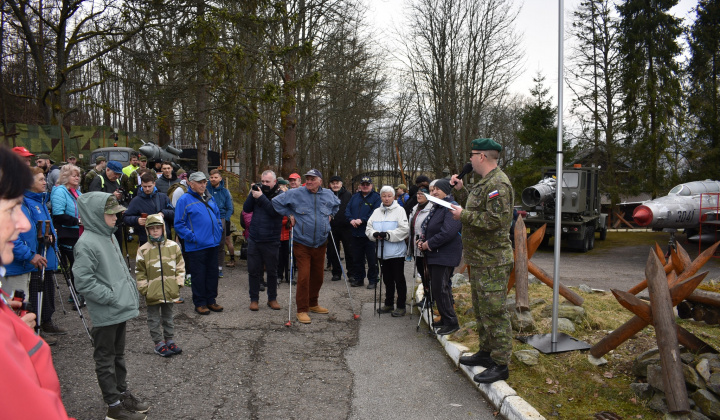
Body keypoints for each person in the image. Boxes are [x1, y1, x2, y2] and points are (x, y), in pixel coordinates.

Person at [0, 146, 76, 420]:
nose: (22, 222)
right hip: (19, 266)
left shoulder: (41, 201)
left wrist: (15, 332)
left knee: (25, 303)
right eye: (11, 208)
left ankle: (42, 324)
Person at [73, 192, 150, 420]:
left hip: (116, 309)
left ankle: (122, 393)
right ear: (97, 215)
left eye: (117, 213)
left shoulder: (108, 235)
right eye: (111, 214)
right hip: (106, 311)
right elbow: (83, 281)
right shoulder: (86, 243)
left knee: (118, 355)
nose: (117, 218)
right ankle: (113, 407)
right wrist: (110, 296)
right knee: (105, 359)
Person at [449, 138, 514, 384]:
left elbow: (496, 220)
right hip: (479, 259)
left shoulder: (498, 183)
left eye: (472, 155)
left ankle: (500, 363)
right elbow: (480, 209)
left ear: (482, 157)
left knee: (495, 312)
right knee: (482, 309)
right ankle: (486, 352)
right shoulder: (485, 183)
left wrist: (462, 215)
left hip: (493, 260)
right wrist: (461, 191)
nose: (470, 160)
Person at [5, 167, 67, 346]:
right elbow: (11, 237)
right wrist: (29, 255)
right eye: (40, 179)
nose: (44, 182)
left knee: (22, 303)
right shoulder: (13, 205)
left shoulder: (31, 202)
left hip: (25, 263)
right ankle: (18, 344)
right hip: (16, 265)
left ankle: (25, 338)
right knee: (16, 305)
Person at [272, 169, 339, 324]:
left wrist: (331, 215)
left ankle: (313, 303)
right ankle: (302, 309)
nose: (309, 181)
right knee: (303, 276)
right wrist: (290, 214)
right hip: (302, 242)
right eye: (307, 179)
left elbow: (336, 206)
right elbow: (275, 202)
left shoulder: (328, 194)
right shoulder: (296, 193)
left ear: (320, 181)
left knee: (318, 276)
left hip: (321, 242)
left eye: (312, 179)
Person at [174, 171, 224, 315]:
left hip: (213, 244)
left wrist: (219, 230)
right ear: (191, 183)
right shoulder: (184, 200)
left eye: (204, 182)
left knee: (212, 274)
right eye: (200, 182)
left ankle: (211, 300)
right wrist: (192, 237)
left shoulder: (209, 197)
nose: (203, 185)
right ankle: (200, 302)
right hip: (196, 246)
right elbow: (179, 224)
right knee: (199, 275)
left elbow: (217, 215)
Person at [135, 214, 185, 357]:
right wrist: (144, 288)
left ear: (163, 228)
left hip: (170, 289)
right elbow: (140, 271)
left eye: (158, 228)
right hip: (152, 292)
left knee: (168, 316)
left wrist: (179, 282)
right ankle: (158, 343)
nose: (155, 231)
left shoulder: (173, 246)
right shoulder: (143, 250)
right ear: (147, 231)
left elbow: (180, 265)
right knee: (154, 318)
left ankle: (169, 339)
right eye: (152, 229)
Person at [417, 179, 462, 335]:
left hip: (445, 254)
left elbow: (448, 232)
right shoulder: (437, 207)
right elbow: (430, 228)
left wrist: (428, 244)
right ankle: (445, 317)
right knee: (440, 288)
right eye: (431, 190)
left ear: (445, 190)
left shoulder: (451, 206)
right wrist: (422, 240)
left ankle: (451, 322)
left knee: (440, 288)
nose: (433, 192)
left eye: (437, 189)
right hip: (436, 254)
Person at [243, 170, 283, 311]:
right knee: (253, 271)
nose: (265, 184)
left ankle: (272, 298)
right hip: (254, 238)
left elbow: (274, 212)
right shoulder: (257, 193)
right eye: (263, 181)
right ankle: (254, 299)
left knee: (272, 271)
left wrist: (260, 197)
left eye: (268, 182)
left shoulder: (280, 195)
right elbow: (246, 209)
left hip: (271, 239)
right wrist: (252, 194)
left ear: (274, 182)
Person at [366, 186, 409, 317]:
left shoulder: (400, 210)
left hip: (396, 252)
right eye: (384, 196)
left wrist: (388, 235)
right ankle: (388, 303)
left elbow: (404, 230)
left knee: (399, 279)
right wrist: (375, 234)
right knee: (387, 279)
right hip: (381, 252)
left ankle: (401, 305)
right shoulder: (376, 212)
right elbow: (368, 228)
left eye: (389, 196)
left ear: (394, 197)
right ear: (380, 197)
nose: (386, 198)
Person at [50, 164, 84, 308]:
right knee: (75, 264)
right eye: (73, 175)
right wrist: (77, 221)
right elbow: (58, 215)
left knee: (80, 263)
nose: (77, 177)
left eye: (78, 175)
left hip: (78, 231)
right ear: (65, 177)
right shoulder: (60, 191)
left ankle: (78, 292)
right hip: (67, 233)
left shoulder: (77, 192)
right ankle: (76, 294)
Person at [345, 176, 381, 289]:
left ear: (371, 185)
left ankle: (373, 280)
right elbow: (347, 209)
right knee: (357, 258)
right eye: (363, 184)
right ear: (360, 185)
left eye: (367, 184)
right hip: (355, 232)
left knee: (372, 259)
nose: (365, 186)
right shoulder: (354, 197)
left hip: (369, 233)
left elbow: (375, 212)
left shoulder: (376, 197)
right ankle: (359, 279)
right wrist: (351, 219)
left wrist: (362, 220)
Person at [123, 172, 174, 246]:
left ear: (154, 184)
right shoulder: (136, 200)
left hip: (165, 237)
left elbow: (174, 213)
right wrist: (137, 220)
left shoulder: (163, 197)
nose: (147, 189)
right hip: (146, 239)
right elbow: (125, 218)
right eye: (144, 186)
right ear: (141, 185)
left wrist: (163, 213)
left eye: (149, 186)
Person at [88, 160, 126, 249]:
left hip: (117, 218)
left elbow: (121, 195)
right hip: (103, 220)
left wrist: (123, 204)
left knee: (118, 245)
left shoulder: (117, 181)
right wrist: (111, 195)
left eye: (119, 175)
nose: (116, 176)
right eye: (115, 174)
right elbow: (93, 198)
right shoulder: (98, 180)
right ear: (108, 169)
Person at [407, 187, 433, 306]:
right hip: (415, 246)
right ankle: (426, 297)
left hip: (425, 247)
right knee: (422, 273)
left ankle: (430, 298)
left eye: (422, 194)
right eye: (417, 194)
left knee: (428, 274)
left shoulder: (431, 208)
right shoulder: (415, 208)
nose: (418, 196)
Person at [207, 169, 234, 276]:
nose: (213, 179)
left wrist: (226, 219)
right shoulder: (206, 189)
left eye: (215, 177)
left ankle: (219, 267)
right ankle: (209, 266)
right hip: (208, 218)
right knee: (208, 243)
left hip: (221, 219)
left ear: (220, 178)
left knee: (220, 244)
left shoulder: (225, 191)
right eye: (211, 177)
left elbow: (230, 208)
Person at [327, 175, 353, 282]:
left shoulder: (348, 195)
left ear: (341, 184)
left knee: (349, 251)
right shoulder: (327, 194)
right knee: (333, 251)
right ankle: (336, 273)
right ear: (330, 184)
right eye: (333, 183)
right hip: (332, 227)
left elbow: (351, 208)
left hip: (346, 227)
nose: (335, 185)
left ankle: (351, 273)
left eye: (337, 183)